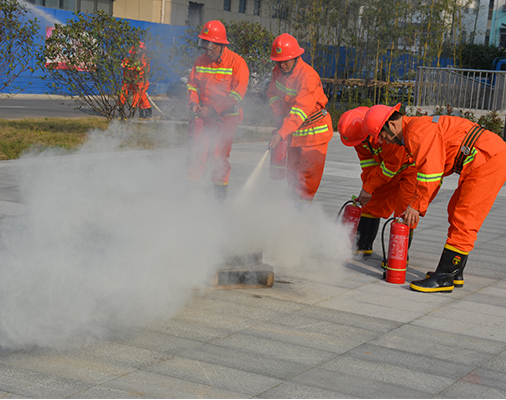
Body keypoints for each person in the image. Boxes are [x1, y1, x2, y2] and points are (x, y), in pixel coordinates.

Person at [363, 103, 506, 293]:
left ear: (393, 125)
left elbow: (430, 173)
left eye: (383, 135)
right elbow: (433, 177)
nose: (383, 141)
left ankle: (445, 277)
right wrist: (419, 204)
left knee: (465, 218)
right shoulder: (415, 129)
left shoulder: (416, 132)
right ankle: (455, 272)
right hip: (483, 157)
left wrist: (416, 205)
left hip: (488, 159)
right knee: (455, 211)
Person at [337, 106, 418, 257]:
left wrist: (369, 187)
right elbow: (368, 165)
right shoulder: (359, 139)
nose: (359, 144)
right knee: (371, 204)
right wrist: (368, 188)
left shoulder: (386, 132)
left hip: (409, 172)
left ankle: (399, 257)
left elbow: (392, 165)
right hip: (385, 171)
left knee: (404, 214)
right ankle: (363, 246)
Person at [267, 33, 333, 209]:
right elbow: (272, 95)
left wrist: (281, 133)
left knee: (305, 181)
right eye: (279, 61)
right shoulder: (277, 72)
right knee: (292, 176)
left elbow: (299, 111)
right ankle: (291, 216)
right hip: (294, 131)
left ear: (297, 57)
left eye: (286, 60)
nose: (282, 64)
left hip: (314, 133)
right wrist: (279, 116)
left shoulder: (308, 77)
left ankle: (301, 222)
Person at [186, 20, 249, 200]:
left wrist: (214, 109)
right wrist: (193, 103)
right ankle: (190, 200)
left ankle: (218, 203)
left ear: (220, 44)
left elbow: (237, 94)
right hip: (204, 120)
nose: (206, 50)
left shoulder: (237, 63)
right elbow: (192, 85)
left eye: (209, 46)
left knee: (218, 159)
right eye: (204, 45)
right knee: (196, 156)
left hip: (225, 121)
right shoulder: (200, 61)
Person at [120, 41, 152, 120]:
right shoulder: (129, 59)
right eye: (138, 49)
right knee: (124, 95)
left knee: (138, 97)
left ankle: (140, 113)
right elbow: (125, 64)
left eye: (140, 49)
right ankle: (142, 114)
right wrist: (124, 65)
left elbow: (140, 68)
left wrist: (129, 67)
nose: (139, 51)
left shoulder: (145, 60)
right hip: (131, 82)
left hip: (142, 81)